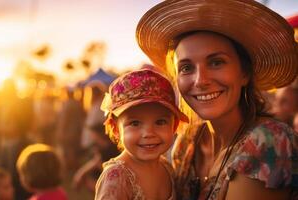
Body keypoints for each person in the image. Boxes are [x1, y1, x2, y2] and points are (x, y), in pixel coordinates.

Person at [136, 0, 298, 199]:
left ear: (245, 73)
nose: (200, 80)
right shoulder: (187, 144)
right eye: (186, 68)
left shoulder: (269, 141)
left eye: (216, 62)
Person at [95, 68, 188, 199]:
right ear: (115, 128)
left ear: (174, 126)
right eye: (135, 123)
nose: (149, 133)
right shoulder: (116, 178)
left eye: (160, 122)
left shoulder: (166, 167)